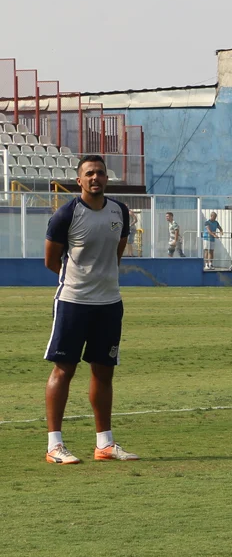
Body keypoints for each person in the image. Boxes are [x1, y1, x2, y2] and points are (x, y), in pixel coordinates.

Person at [42, 155, 137, 463]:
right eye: (89, 173)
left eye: (100, 173)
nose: (95, 177)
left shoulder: (119, 211)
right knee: (64, 369)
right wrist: (78, 282)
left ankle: (104, 445)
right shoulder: (65, 215)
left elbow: (117, 251)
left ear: (106, 178)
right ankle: (54, 445)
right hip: (73, 303)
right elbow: (51, 261)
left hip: (109, 303)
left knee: (104, 371)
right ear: (79, 180)